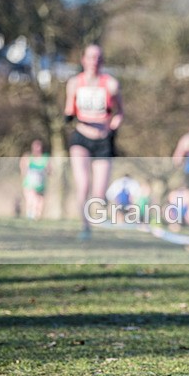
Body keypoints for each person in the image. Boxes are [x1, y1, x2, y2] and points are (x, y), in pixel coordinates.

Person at [63, 44, 124, 240]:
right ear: (83, 60)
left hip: (102, 141)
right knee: (83, 184)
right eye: (90, 57)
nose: (94, 61)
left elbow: (120, 113)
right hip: (81, 138)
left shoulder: (111, 84)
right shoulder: (74, 83)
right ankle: (85, 227)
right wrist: (68, 116)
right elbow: (68, 110)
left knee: (98, 193)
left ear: (102, 61)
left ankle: (98, 210)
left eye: (98, 57)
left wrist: (113, 125)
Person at [19, 139, 51, 220]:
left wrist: (47, 170)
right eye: (35, 146)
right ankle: (30, 216)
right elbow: (23, 170)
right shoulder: (28, 158)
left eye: (39, 146)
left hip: (41, 184)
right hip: (29, 184)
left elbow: (49, 171)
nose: (37, 148)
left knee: (40, 202)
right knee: (32, 199)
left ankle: (37, 217)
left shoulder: (45, 158)